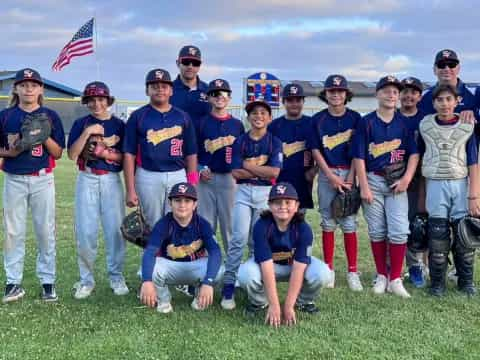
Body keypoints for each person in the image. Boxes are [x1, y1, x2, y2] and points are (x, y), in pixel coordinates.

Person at [0, 68, 65, 303]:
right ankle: (13, 282)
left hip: (42, 179)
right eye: (24, 84)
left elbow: (58, 153)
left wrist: (42, 135)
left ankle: (48, 282)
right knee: (12, 231)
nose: (29, 88)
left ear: (41, 89)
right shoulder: (5, 116)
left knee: (45, 231)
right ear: (15, 88)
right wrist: (15, 148)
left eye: (34, 84)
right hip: (14, 178)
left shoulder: (50, 115)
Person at [352, 75, 419, 298]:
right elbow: (359, 156)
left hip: (397, 182)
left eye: (395, 91)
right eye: (386, 90)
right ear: (377, 94)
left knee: (399, 231)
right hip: (373, 179)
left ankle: (396, 278)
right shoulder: (367, 121)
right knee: (378, 230)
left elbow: (414, 154)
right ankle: (382, 275)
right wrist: (363, 186)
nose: (391, 95)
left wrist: (408, 178)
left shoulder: (404, 123)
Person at [238, 182, 332, 327]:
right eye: (277, 202)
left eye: (288, 202)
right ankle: (260, 302)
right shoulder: (262, 225)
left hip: (293, 266)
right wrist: (274, 305)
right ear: (269, 205)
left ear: (296, 206)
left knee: (323, 273)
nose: (283, 206)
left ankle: (303, 302)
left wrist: (288, 305)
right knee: (246, 274)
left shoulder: (303, 228)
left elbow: (299, 268)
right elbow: (266, 265)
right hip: (270, 266)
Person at [67, 81, 129, 299]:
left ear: (108, 101)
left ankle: (116, 276)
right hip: (87, 178)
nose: (96, 104)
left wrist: (106, 154)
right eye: (91, 100)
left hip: (111, 180)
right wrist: (87, 133)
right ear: (86, 102)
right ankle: (86, 279)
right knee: (86, 231)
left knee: (115, 230)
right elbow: (72, 155)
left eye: (101, 99)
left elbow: (125, 158)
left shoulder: (120, 125)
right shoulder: (80, 123)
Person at [418, 84, 480, 296]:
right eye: (440, 100)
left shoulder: (466, 126)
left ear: (457, 101)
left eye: (448, 99)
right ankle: (437, 284)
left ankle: (466, 282)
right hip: (435, 182)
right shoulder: (425, 126)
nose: (444, 104)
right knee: (437, 235)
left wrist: (474, 194)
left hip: (459, 182)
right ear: (433, 103)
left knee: (464, 235)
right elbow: (418, 158)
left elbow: (473, 161)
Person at [221, 100, 283, 310]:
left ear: (269, 118)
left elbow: (274, 173)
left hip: (266, 193)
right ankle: (229, 285)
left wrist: (246, 164)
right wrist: (259, 168)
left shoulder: (274, 141)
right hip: (244, 191)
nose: (258, 116)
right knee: (238, 239)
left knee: (259, 241)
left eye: (263, 113)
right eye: (254, 113)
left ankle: (255, 283)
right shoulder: (240, 141)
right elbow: (235, 172)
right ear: (248, 118)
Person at [123, 68, 198, 228]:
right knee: (152, 225)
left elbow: (191, 153)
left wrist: (192, 184)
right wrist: (130, 189)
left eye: (164, 86)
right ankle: (154, 254)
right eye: (154, 86)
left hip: (178, 174)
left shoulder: (183, 116)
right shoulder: (138, 116)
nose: (159, 89)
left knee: (180, 222)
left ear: (171, 90)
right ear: (147, 90)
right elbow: (129, 154)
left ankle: (173, 253)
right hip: (148, 176)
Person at [309, 75, 363, 291]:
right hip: (327, 173)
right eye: (332, 91)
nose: (336, 94)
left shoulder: (356, 118)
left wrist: (350, 177)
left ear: (346, 94)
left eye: (340, 91)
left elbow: (357, 151)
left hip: (349, 172)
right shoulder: (318, 119)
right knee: (328, 221)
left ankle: (352, 271)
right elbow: (315, 150)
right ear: (326, 94)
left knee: (349, 223)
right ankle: (329, 269)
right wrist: (330, 176)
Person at [139, 182, 223, 313]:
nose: (182, 205)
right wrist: (146, 281)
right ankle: (164, 299)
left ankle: (199, 294)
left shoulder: (203, 224)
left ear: (195, 204)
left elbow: (215, 252)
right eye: (177, 200)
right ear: (170, 203)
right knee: (148, 270)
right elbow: (150, 252)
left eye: (187, 200)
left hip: (195, 265)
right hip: (171, 266)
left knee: (218, 271)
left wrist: (208, 282)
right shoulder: (163, 224)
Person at [197, 79, 245, 252]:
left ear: (230, 97)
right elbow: (192, 152)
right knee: (205, 225)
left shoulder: (237, 125)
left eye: (224, 93)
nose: (219, 97)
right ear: (208, 98)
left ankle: (232, 269)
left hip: (229, 179)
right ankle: (207, 267)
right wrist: (199, 169)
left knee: (230, 225)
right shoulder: (201, 123)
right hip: (205, 181)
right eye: (215, 94)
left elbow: (242, 153)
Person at [399, 77, 428, 288]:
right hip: (393, 178)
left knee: (417, 222)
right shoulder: (391, 117)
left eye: (414, 92)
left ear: (420, 96)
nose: (409, 95)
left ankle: (416, 266)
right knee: (394, 225)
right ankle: (390, 268)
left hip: (421, 178)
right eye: (405, 91)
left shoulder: (426, 120)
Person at [268, 83, 315, 211]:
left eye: (298, 100)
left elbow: (322, 151)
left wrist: (315, 170)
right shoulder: (274, 126)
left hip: (302, 180)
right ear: (283, 102)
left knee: (299, 219)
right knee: (278, 217)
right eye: (290, 100)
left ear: (303, 101)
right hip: (279, 178)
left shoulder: (311, 123)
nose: (294, 104)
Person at [418, 49, 477, 122]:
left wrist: (474, 115)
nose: (447, 69)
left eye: (452, 65)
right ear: (434, 70)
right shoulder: (423, 96)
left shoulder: (475, 93)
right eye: (441, 65)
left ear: (458, 69)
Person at [171, 45, 211, 130]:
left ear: (200, 65)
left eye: (195, 63)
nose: (190, 66)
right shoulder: (167, 90)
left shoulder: (209, 91)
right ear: (178, 63)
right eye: (186, 62)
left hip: (203, 142)